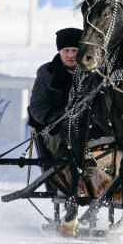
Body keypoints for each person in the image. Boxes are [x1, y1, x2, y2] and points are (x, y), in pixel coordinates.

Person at [28, 27, 81, 157]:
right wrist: (54, 120)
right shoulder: (47, 73)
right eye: (66, 51)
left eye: (75, 50)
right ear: (59, 51)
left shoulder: (93, 73)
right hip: (56, 129)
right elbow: (38, 106)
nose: (70, 55)